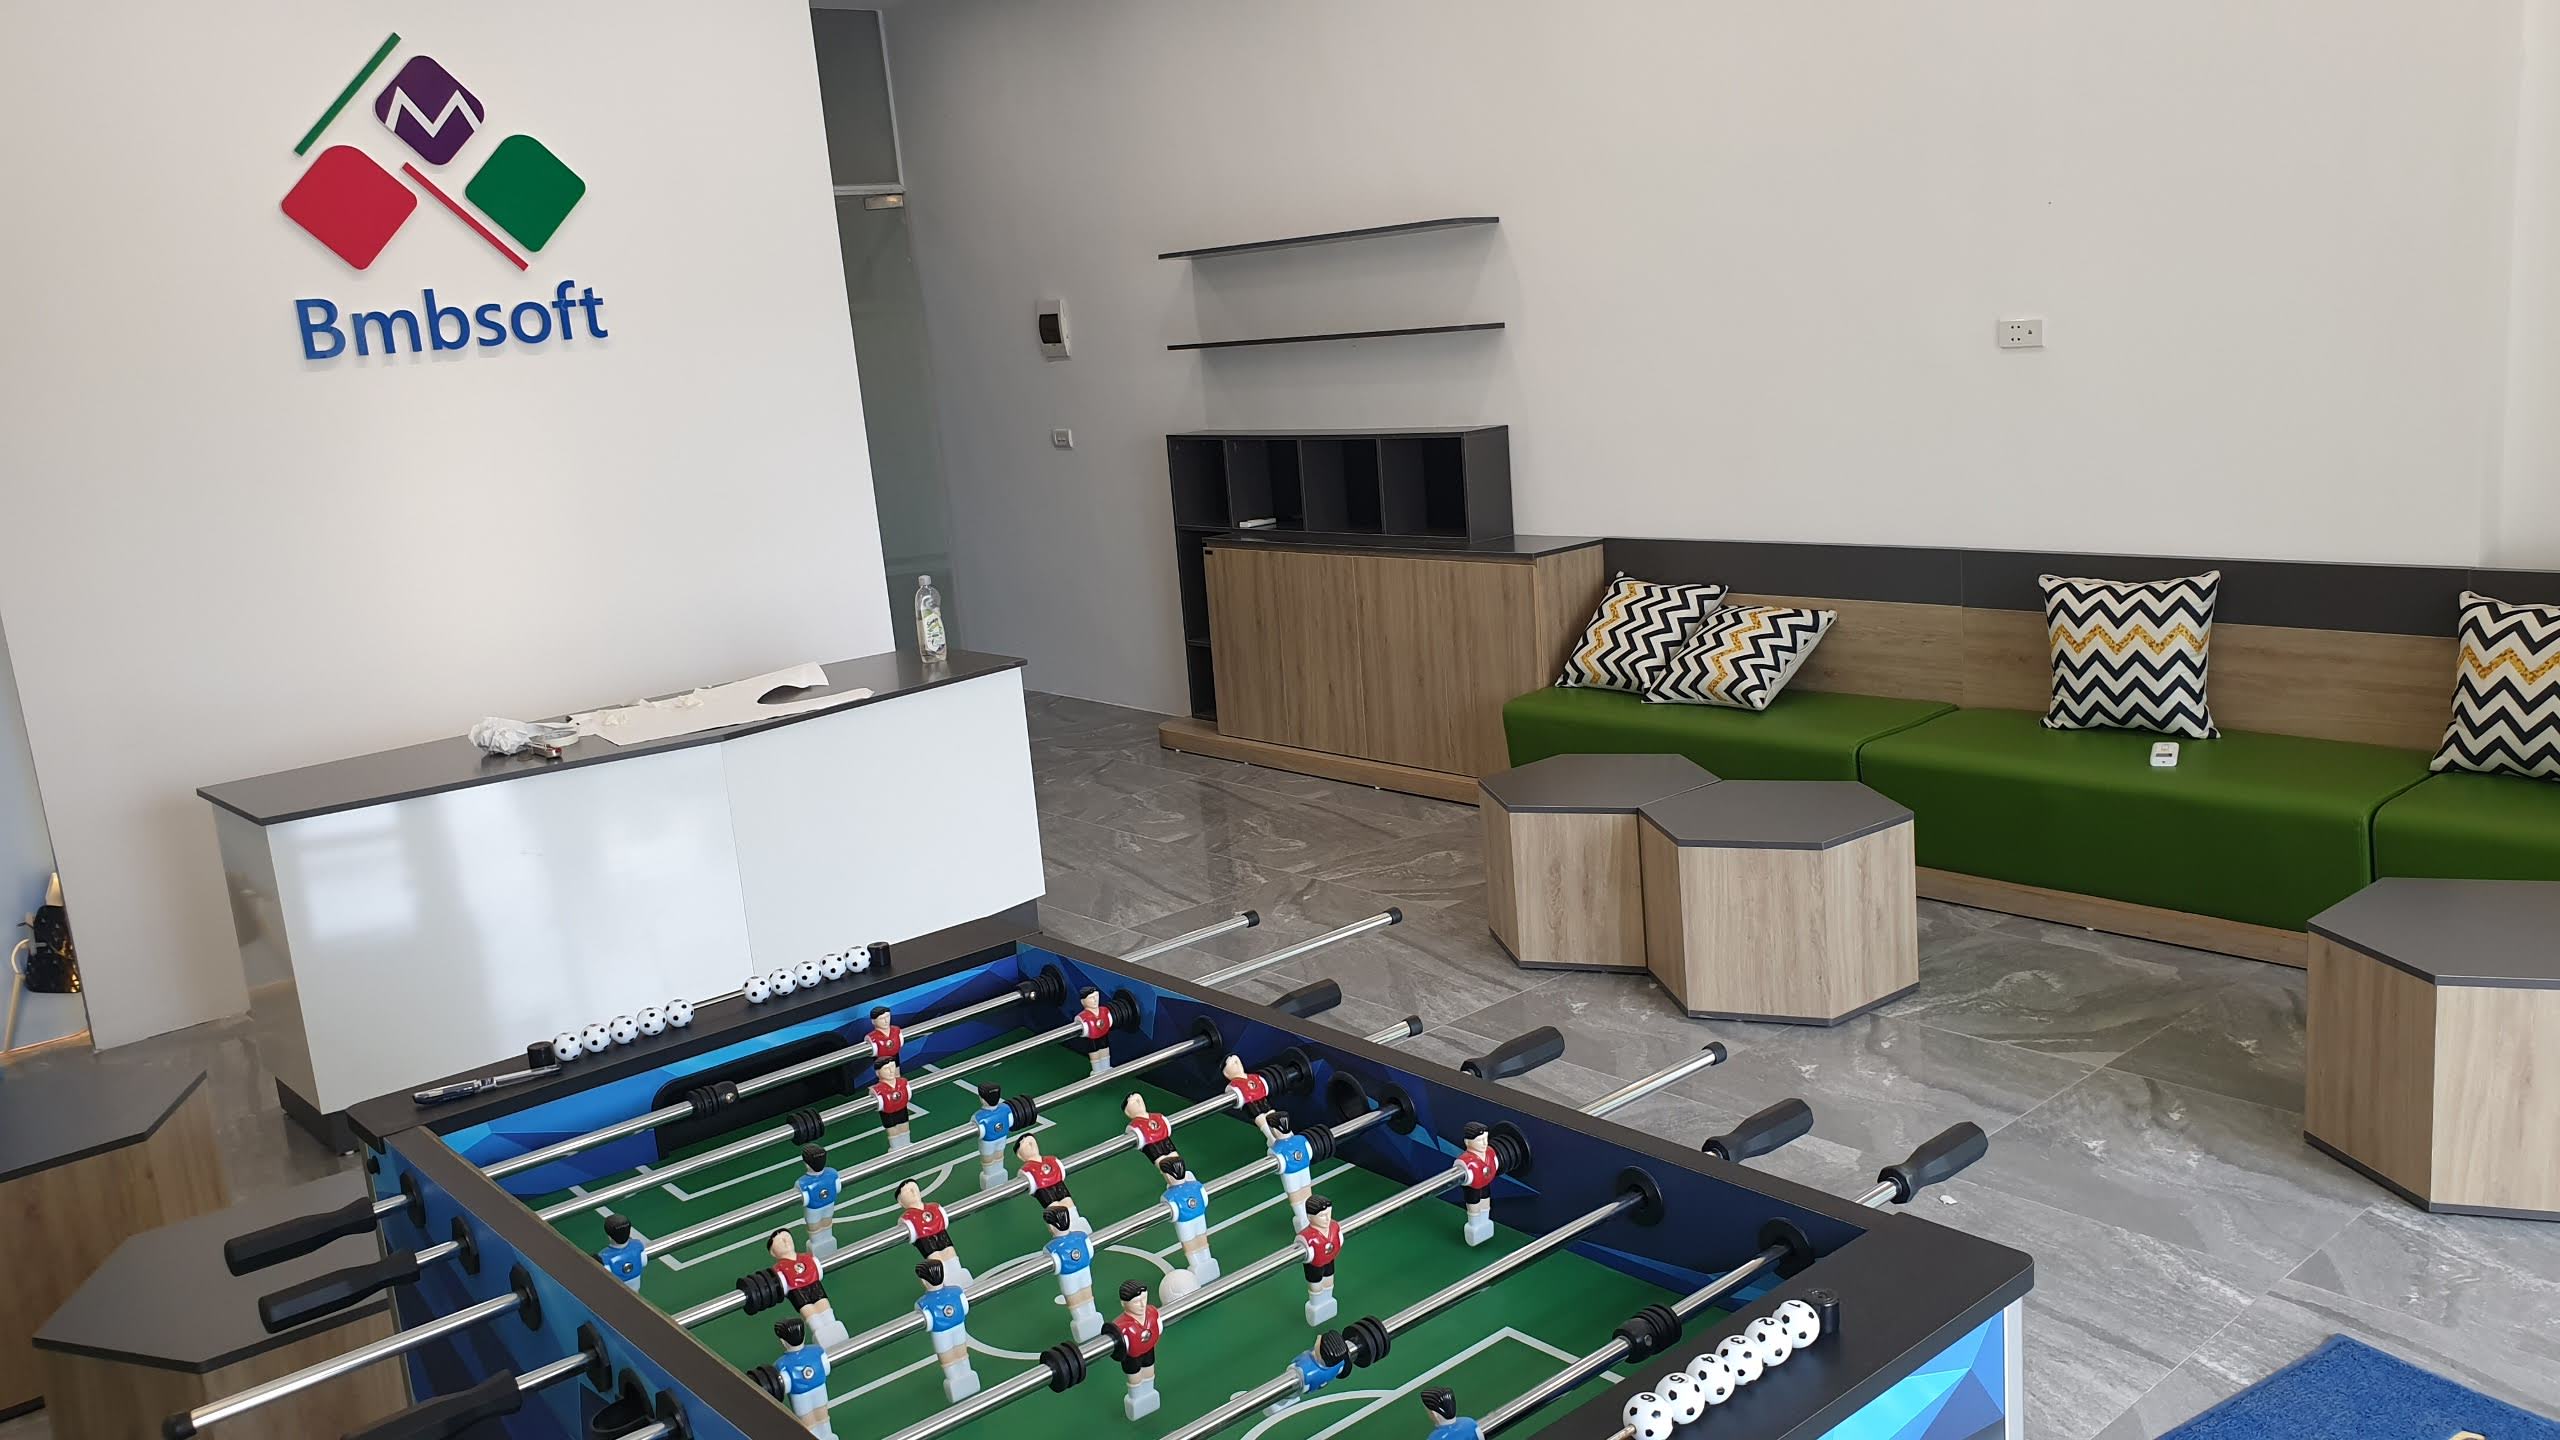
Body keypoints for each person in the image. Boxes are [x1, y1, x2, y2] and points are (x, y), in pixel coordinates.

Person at [766, 1229, 848, 1346]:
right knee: (810, 1312)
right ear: (773, 1252)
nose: (785, 1241)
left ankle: (835, 1330)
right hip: (796, 1291)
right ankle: (820, 1334)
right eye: (779, 1241)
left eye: (787, 1237)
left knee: (824, 1306)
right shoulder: (779, 1268)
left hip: (814, 1285)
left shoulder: (806, 1257)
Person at [915, 1260, 980, 1401]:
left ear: (924, 1281)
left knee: (947, 1357)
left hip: (941, 1334)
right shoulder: (956, 1292)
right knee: (961, 1352)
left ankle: (954, 1379)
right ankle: (967, 1373)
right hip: (959, 1327)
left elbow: (928, 1323)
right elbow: (965, 1308)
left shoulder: (923, 1303)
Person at [1041, 1204, 1105, 1342]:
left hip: (1068, 1277)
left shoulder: (1051, 1248)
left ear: (1051, 1226)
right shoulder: (1081, 1237)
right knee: (1087, 1294)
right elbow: (1089, 1252)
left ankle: (1082, 1321)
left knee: (1074, 1298)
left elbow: (1056, 1266)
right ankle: (1091, 1316)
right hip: (1084, 1271)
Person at [896, 1178, 969, 1285]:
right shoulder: (907, 1217)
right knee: (935, 1258)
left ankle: (958, 1275)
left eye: (914, 1188)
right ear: (900, 1201)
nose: (913, 1191)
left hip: (941, 1234)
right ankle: (944, 1280)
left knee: (949, 1252)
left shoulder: (934, 1207)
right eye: (907, 1191)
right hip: (924, 1240)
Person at [1158, 1152, 1218, 1282]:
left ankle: (1197, 1265)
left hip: (1184, 1223)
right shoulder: (1196, 1185)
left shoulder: (1169, 1196)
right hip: (1200, 1218)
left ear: (1168, 1176)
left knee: (1190, 1244)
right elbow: (1204, 1200)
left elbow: (1173, 1215)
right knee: (1202, 1240)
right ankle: (1207, 1260)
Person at [772, 1317, 834, 1437]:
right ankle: (828, 1436)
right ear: (804, 1336)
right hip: (820, 1389)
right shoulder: (817, 1351)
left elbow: (783, 1384)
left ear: (783, 1341)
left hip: (800, 1396)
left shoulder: (781, 1364)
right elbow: (826, 1368)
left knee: (808, 1420)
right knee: (822, 1414)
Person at [1109, 1279, 1162, 1420]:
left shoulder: (1152, 1313)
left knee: (1149, 1372)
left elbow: (1158, 1328)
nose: (1142, 1304)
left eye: (1144, 1299)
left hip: (1148, 1351)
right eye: (1136, 1302)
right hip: (1131, 1357)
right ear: (1124, 1304)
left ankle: (1149, 1394)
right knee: (1135, 1379)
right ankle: (1137, 1400)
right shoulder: (1121, 1327)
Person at [1267, 1329, 1352, 1415]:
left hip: (1298, 1383)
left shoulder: (1305, 1368)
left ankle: (1281, 1401)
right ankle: (1282, 1400)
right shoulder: (1336, 1366)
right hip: (1300, 1382)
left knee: (1295, 1388)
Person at [1014, 1132, 1084, 1231]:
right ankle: (1062, 1231)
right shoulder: (1027, 1169)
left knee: (1068, 1203)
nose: (1030, 1144)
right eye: (1025, 1143)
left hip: (1059, 1185)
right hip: (1043, 1191)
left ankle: (1078, 1226)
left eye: (1031, 1140)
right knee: (1055, 1210)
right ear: (1020, 1155)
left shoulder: (1052, 1159)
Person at [1260, 1110, 1316, 1228]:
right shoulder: (1301, 1139)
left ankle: (1303, 1219)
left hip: (1290, 1175)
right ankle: (1308, 1216)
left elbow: (1277, 1162)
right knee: (1306, 1192)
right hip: (1304, 1171)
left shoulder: (1276, 1149)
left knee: (1296, 1196)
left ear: (1274, 1130)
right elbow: (1309, 1152)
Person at [1298, 1193, 1342, 1325]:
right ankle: (1317, 1307)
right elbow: (1303, 1250)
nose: (1327, 1218)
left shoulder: (1335, 1227)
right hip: (1314, 1266)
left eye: (1329, 1213)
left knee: (1328, 1282)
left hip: (1329, 1260)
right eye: (1322, 1216)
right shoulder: (1306, 1237)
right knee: (1316, 1287)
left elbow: (1339, 1240)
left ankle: (1328, 1302)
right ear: (1310, 1217)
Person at [1456, 1122, 1499, 1246]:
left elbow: (1495, 1165)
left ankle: (1485, 1223)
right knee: (1474, 1205)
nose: (1485, 1143)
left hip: (1485, 1185)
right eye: (1480, 1141)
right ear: (1467, 1142)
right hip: (1472, 1190)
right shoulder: (1465, 1162)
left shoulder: (1490, 1153)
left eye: (1486, 1139)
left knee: (1485, 1203)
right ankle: (1474, 1227)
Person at [796, 1144, 840, 1257]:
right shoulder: (833, 1174)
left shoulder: (802, 1183)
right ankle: (827, 1240)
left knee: (814, 1226)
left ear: (806, 1164)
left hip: (813, 1210)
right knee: (827, 1222)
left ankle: (817, 1244)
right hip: (829, 1205)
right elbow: (838, 1188)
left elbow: (804, 1200)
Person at [971, 1082, 1015, 1190]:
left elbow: (979, 1132)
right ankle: (999, 1172)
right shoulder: (1005, 1109)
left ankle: (989, 1175)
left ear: (982, 1099)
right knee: (999, 1154)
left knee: (988, 1158)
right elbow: (1010, 1122)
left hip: (987, 1142)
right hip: (1002, 1138)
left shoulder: (979, 1117)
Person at [597, 1214, 646, 1292]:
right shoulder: (638, 1246)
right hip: (635, 1290)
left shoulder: (603, 1258)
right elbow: (644, 1261)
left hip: (615, 1293)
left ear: (609, 1236)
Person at [872, 1058, 913, 1149]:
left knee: (904, 1125)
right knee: (892, 1129)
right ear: (878, 1073)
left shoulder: (902, 1082)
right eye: (886, 1069)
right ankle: (895, 1147)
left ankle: (906, 1143)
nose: (891, 1071)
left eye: (893, 1067)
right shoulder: (877, 1089)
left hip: (902, 1108)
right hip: (888, 1112)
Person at [1071, 986, 1113, 1074]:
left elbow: (1109, 1021)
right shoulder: (1082, 1017)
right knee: (1095, 1053)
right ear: (1083, 1002)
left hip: (1103, 1035)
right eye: (1091, 998)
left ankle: (1106, 1068)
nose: (1095, 1000)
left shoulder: (1104, 1011)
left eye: (1096, 996)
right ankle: (1097, 1071)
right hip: (1092, 1039)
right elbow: (1082, 1029)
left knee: (1105, 1050)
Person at [1125, 1092, 1175, 1160]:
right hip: (1151, 1146)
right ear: (1128, 1112)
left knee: (1175, 1159)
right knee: (1164, 1162)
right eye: (1132, 1101)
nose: (1137, 1101)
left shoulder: (1157, 1116)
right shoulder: (1135, 1125)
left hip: (1165, 1141)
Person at [1221, 1054, 1272, 1120]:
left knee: (1270, 1112)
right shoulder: (1234, 1084)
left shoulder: (1252, 1076)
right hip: (1250, 1102)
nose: (1237, 1065)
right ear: (1226, 1074)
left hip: (1262, 1098)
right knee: (1259, 1117)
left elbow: (1261, 1082)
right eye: (1233, 1065)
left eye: (1236, 1063)